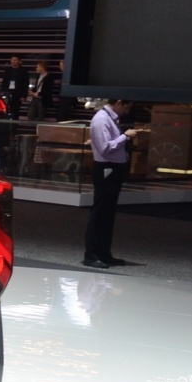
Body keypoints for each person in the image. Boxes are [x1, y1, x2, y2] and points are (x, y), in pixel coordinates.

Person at [83, 98, 140, 269]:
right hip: (106, 169)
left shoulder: (109, 119)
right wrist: (125, 136)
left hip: (112, 169)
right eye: (126, 108)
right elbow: (106, 148)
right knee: (100, 213)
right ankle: (92, 254)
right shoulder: (102, 119)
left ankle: (103, 253)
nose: (126, 112)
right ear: (119, 102)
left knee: (107, 214)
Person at [0, 55, 29, 120]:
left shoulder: (23, 71)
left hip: (18, 94)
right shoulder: (8, 70)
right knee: (7, 109)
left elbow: (25, 84)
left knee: (16, 111)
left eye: (15, 60)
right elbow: (4, 82)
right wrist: (2, 92)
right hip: (8, 93)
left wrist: (24, 95)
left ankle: (14, 124)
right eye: (12, 60)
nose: (13, 61)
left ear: (19, 61)